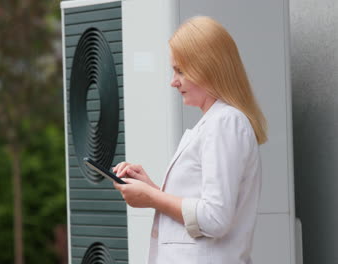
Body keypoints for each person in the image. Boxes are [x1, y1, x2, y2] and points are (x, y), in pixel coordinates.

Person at [113, 16, 267, 264]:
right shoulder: (217, 122)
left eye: (180, 71)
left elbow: (215, 218)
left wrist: (152, 197)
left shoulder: (225, 122)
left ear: (208, 67)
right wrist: (150, 189)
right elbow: (203, 208)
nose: (173, 82)